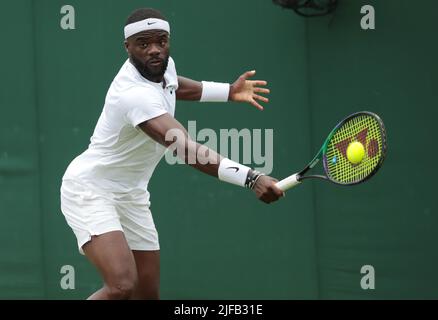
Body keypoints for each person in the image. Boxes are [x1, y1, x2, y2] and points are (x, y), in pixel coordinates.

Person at [60, 7, 284, 300]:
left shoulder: (163, 67)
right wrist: (251, 178)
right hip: (90, 190)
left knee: (146, 293)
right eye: (143, 44)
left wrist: (228, 91)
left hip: (132, 194)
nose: (154, 50)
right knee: (122, 285)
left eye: (161, 41)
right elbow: (186, 149)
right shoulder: (134, 96)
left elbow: (175, 85)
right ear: (127, 47)